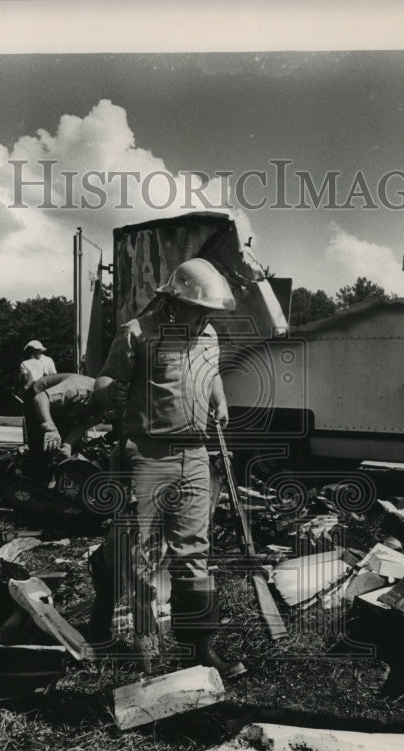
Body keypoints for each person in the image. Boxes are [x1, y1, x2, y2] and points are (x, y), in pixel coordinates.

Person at [93, 257, 246, 678]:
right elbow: (103, 384)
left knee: (194, 552)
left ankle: (199, 649)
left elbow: (209, 371)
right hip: (149, 453)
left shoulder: (208, 335)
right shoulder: (136, 333)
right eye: (200, 311)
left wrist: (219, 398)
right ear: (175, 302)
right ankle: (145, 649)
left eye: (210, 314)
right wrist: (113, 393)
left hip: (196, 454)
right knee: (141, 554)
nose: (205, 321)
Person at [23, 372, 103, 478]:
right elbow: (40, 398)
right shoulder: (77, 388)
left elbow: (81, 426)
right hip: (38, 396)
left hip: (63, 408)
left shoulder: (103, 406)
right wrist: (50, 429)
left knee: (65, 452)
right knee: (41, 448)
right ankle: (33, 479)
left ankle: (56, 480)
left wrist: (67, 446)